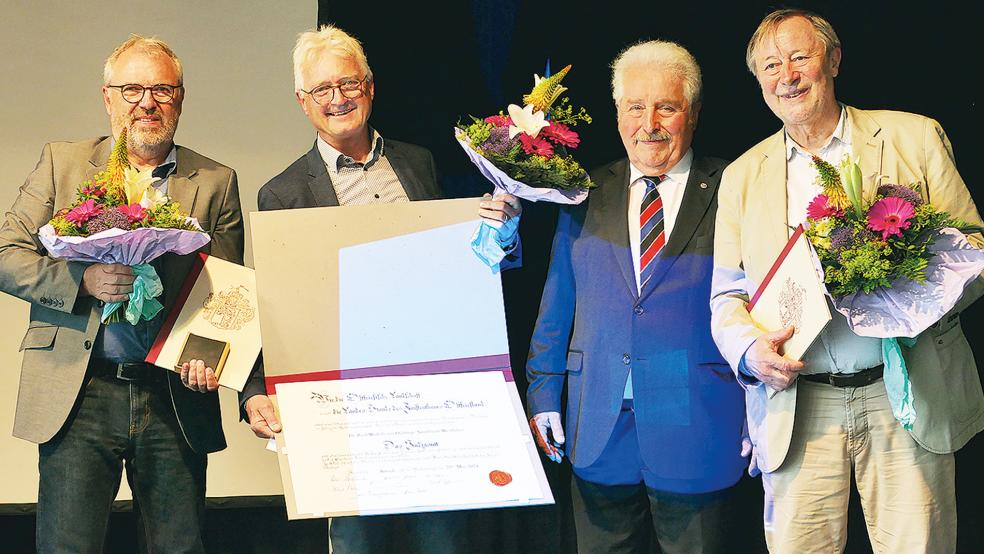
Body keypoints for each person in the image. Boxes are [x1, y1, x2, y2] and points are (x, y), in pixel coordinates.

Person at [238, 24, 520, 553]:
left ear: (370, 87)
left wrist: (498, 236)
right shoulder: (283, 193)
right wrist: (255, 390)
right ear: (304, 102)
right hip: (342, 401)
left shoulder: (418, 163)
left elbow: (455, 270)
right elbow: (274, 303)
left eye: (349, 83)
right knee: (357, 542)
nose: (339, 99)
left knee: (443, 540)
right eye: (323, 90)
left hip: (429, 391)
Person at [709, 9, 984, 552]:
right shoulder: (742, 175)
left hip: (905, 392)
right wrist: (750, 352)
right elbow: (726, 297)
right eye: (769, 66)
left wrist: (905, 293)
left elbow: (973, 252)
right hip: (798, 405)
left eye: (799, 57)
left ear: (832, 61)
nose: (785, 75)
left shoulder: (915, 137)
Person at [0, 35, 244, 553]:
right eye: (132, 89)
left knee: (179, 547)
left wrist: (208, 356)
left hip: (172, 396)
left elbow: (223, 290)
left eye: (161, 89)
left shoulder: (217, 181)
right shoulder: (61, 163)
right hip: (79, 392)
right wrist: (80, 281)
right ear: (108, 97)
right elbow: (6, 253)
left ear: (180, 98)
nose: (147, 103)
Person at [525, 40, 746, 553]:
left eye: (666, 107)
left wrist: (760, 406)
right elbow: (557, 302)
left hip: (698, 421)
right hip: (597, 420)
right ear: (618, 114)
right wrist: (542, 391)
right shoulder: (581, 191)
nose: (649, 123)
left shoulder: (733, 187)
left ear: (691, 113)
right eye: (635, 107)